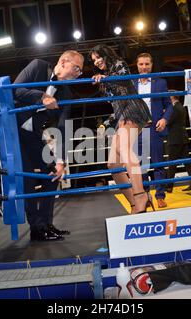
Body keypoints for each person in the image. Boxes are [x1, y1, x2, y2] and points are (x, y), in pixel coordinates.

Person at [14, 50, 84, 241]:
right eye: (76, 68)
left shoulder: (66, 92)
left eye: (80, 72)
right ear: (63, 62)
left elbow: (63, 128)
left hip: (33, 135)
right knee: (27, 180)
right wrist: (43, 96)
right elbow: (16, 90)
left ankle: (46, 224)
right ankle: (36, 228)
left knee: (53, 173)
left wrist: (61, 162)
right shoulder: (37, 66)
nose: (78, 74)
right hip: (14, 131)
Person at [89, 45, 153, 214]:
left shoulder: (118, 63)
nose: (96, 62)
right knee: (113, 164)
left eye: (98, 57)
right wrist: (107, 123)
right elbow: (115, 105)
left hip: (133, 109)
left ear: (105, 54)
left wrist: (105, 78)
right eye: (94, 60)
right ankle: (134, 204)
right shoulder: (105, 75)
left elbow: (124, 80)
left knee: (124, 149)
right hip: (121, 115)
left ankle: (141, 195)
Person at [135, 53, 173, 208]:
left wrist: (164, 119)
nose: (144, 67)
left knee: (158, 163)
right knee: (141, 165)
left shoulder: (160, 82)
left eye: (147, 64)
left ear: (151, 65)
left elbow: (169, 105)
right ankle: (146, 196)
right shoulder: (130, 83)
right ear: (137, 65)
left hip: (154, 128)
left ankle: (160, 196)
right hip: (137, 129)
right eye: (141, 64)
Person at [165, 93, 191, 193]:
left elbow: (168, 121)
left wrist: (164, 115)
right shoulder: (180, 107)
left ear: (172, 97)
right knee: (188, 162)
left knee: (171, 163)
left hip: (175, 139)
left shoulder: (175, 108)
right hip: (181, 138)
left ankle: (169, 186)